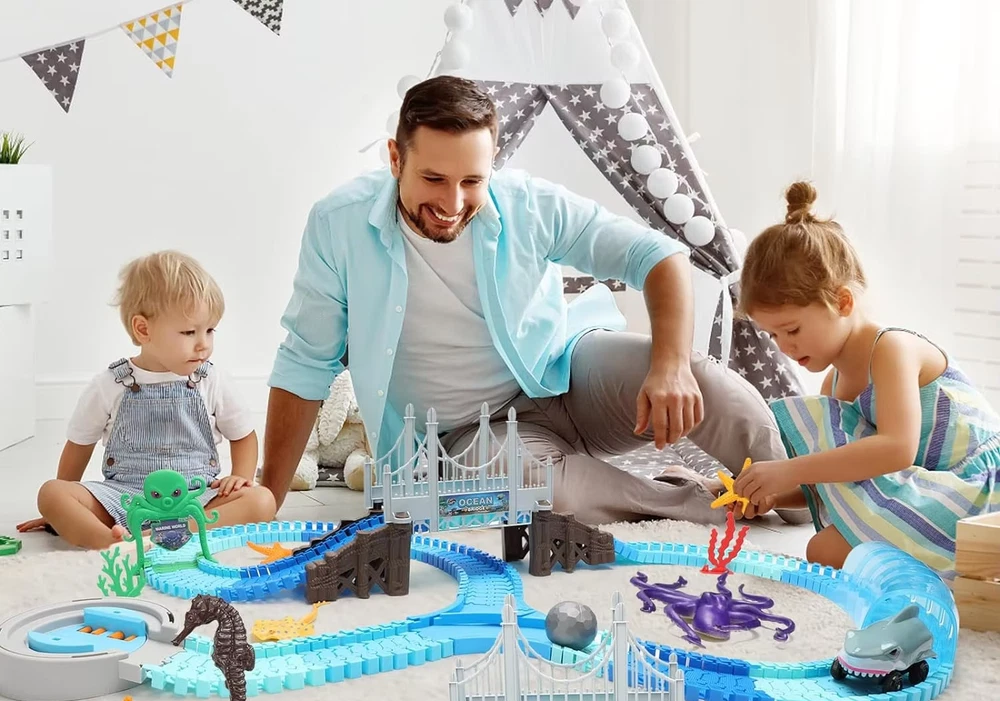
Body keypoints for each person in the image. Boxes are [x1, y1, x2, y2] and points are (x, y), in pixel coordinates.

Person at [260, 75, 798, 526]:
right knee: (541, 493)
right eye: (434, 178)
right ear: (395, 158)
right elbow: (306, 361)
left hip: (566, 376)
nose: (452, 202)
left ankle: (806, 491)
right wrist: (268, 497)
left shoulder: (527, 204)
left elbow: (659, 256)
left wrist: (671, 366)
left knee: (699, 377)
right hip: (466, 434)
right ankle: (693, 503)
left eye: (472, 180)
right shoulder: (338, 224)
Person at [732, 181, 1000, 578]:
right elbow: (838, 481)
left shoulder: (892, 349)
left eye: (792, 330)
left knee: (828, 549)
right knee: (824, 548)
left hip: (976, 490)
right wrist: (771, 494)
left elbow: (897, 450)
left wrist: (789, 470)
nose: (784, 347)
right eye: (773, 336)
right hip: (925, 491)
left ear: (842, 302)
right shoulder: (833, 384)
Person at [17, 250, 276, 549]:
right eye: (189, 332)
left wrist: (240, 477)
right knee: (51, 493)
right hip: (125, 500)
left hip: (195, 499)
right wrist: (63, 509)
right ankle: (111, 543)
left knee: (262, 500)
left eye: (209, 330)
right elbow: (79, 445)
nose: (203, 344)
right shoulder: (110, 384)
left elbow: (243, 435)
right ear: (143, 329)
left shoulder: (211, 380)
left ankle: (162, 537)